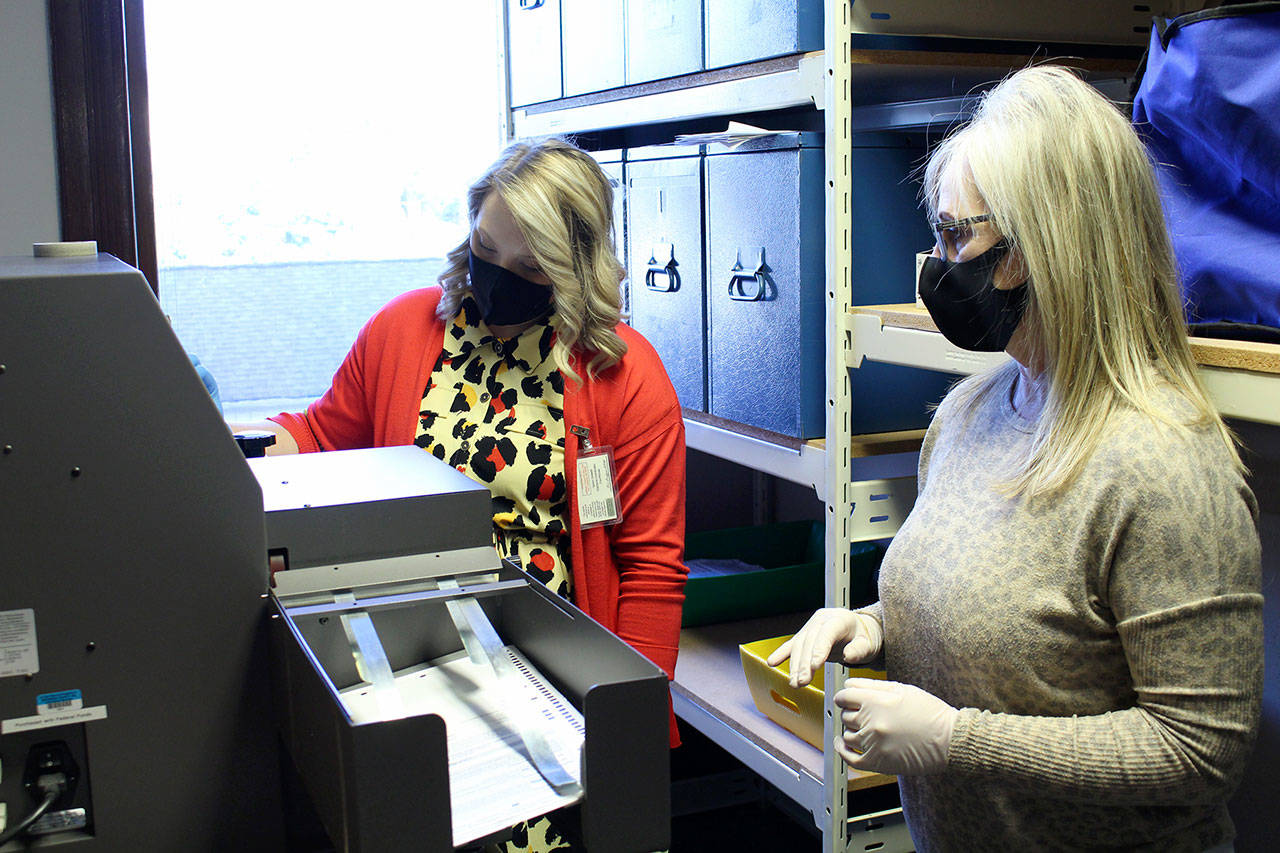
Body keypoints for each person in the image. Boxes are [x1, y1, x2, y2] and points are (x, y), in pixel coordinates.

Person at [769, 66, 1262, 852]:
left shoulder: (1166, 466)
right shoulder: (970, 412)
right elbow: (1005, 627)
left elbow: (1198, 750)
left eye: (959, 236)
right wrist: (872, 627)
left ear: (1045, 245)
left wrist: (957, 739)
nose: (936, 262)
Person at [238, 137, 687, 852]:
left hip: (549, 684)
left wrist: (624, 736)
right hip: (406, 667)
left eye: (528, 266)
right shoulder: (405, 330)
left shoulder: (625, 380)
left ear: (573, 269)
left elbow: (653, 572)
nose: (497, 277)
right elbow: (322, 434)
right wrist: (228, 445)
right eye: (486, 246)